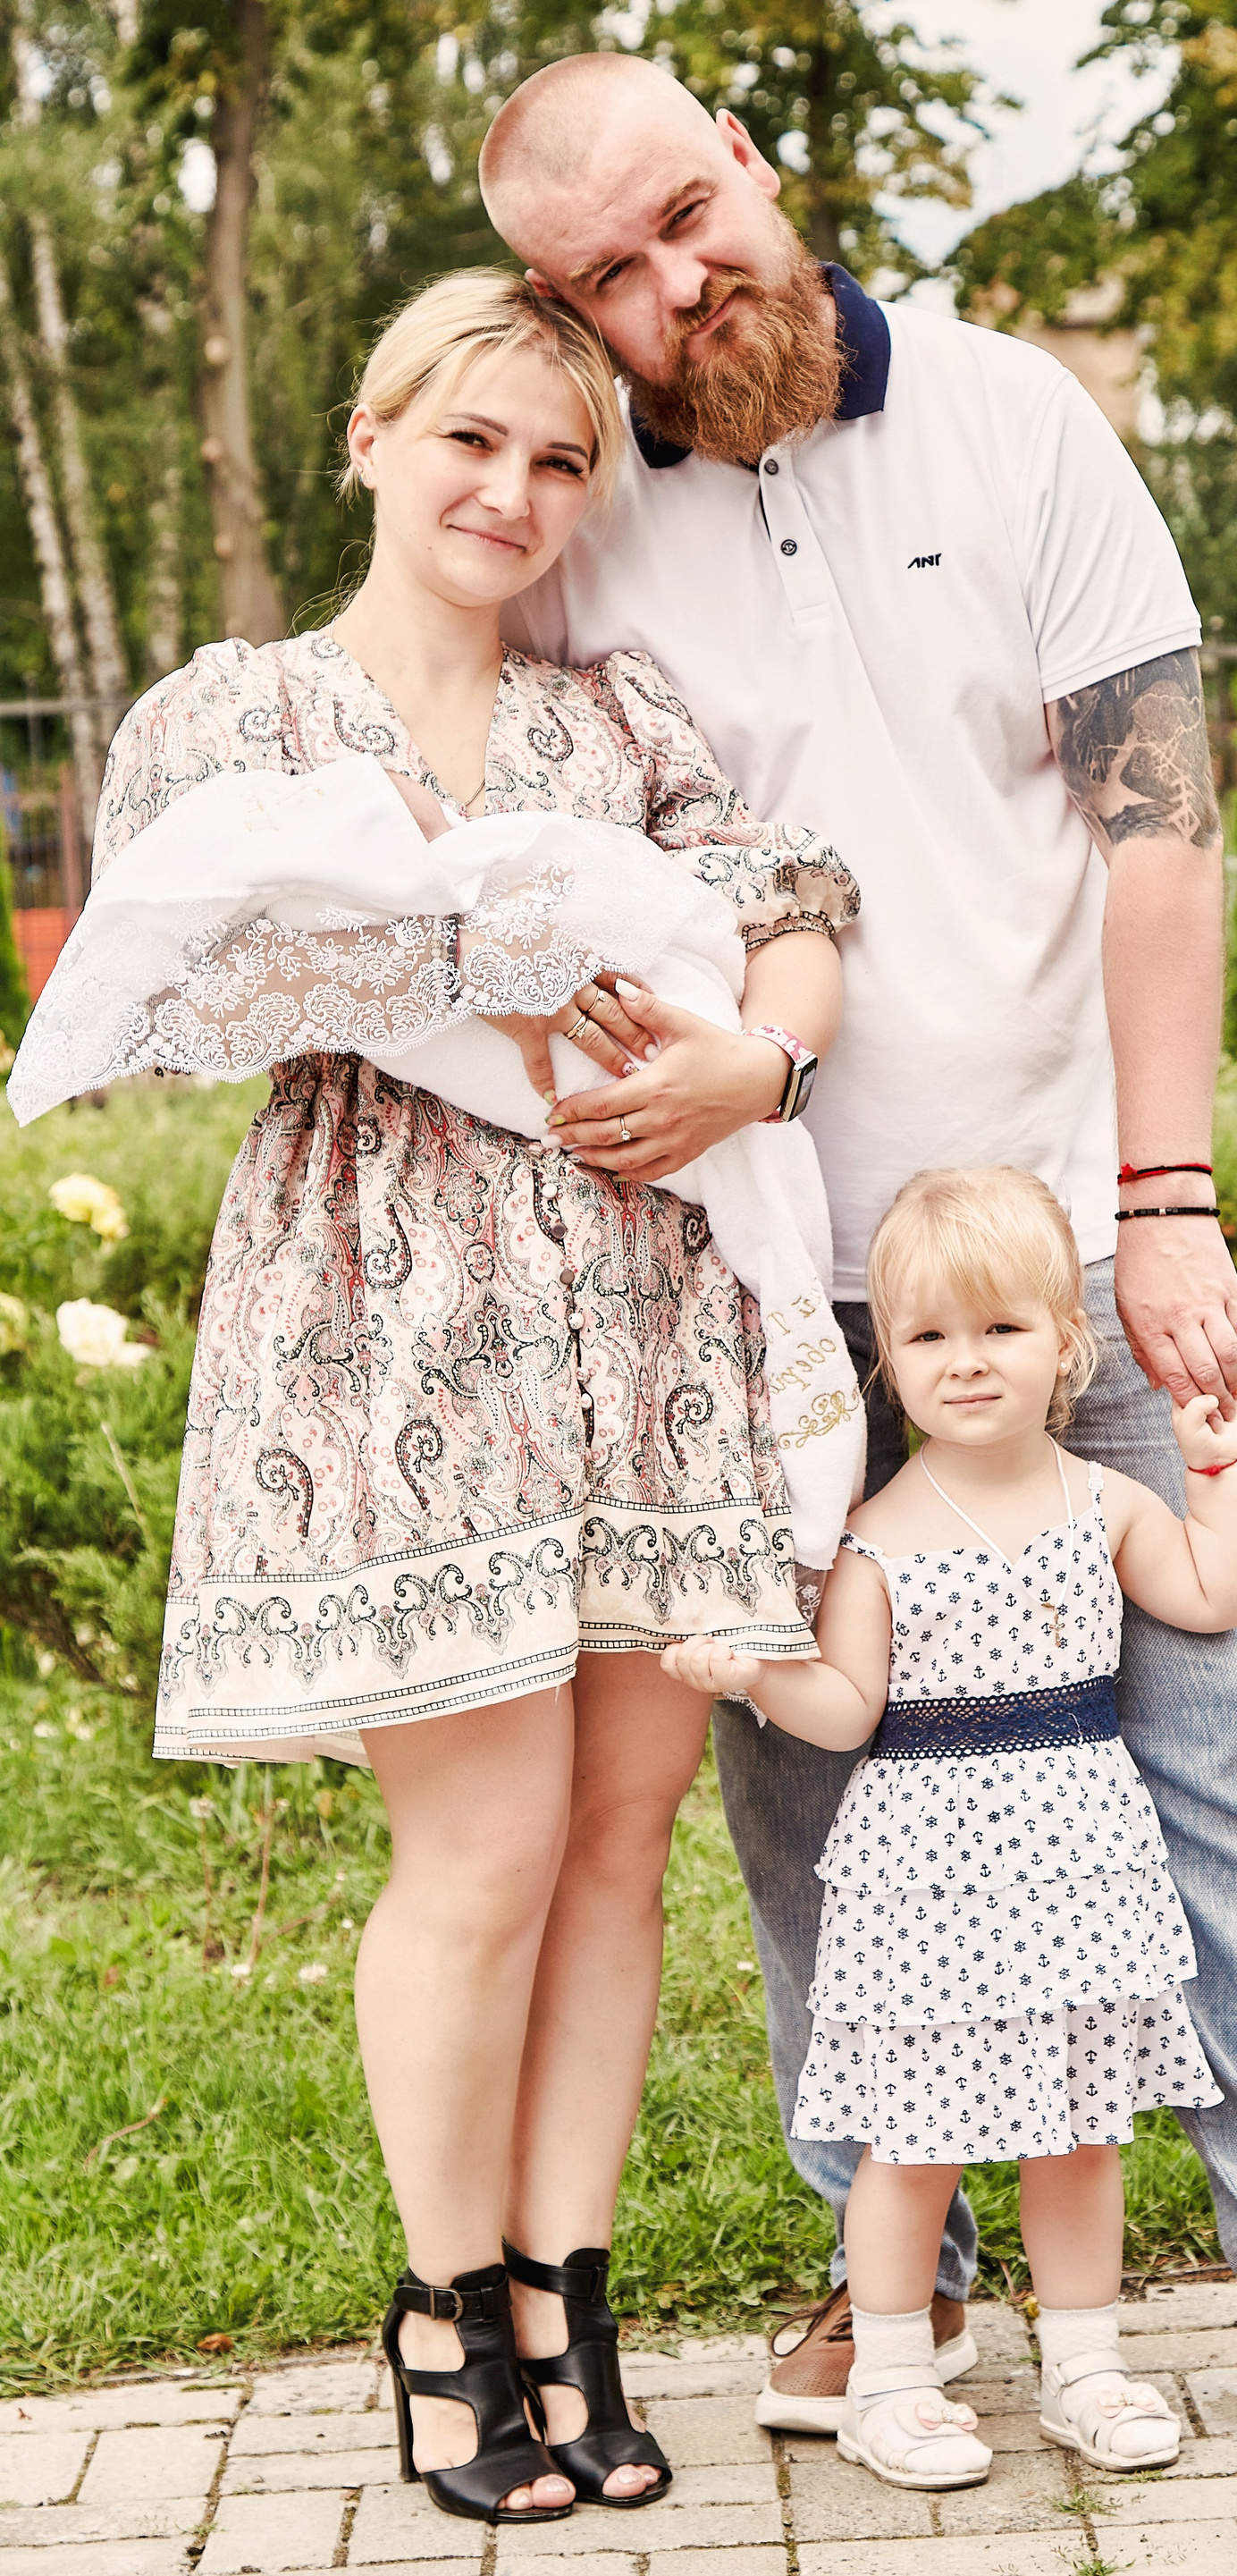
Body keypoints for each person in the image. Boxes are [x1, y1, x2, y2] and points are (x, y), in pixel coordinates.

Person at [478, 52, 1237, 2443]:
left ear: (747, 157)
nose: (678, 287)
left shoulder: (1014, 417)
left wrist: (1165, 1199)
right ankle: (907, 2285)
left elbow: (1154, 824)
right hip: (761, 1273)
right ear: (568, 308)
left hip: (1049, 1241)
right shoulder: (576, 522)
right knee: (816, 1799)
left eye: (685, 216)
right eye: (608, 278)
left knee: (1203, 1752)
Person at [44, 271, 857, 2521]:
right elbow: (173, 983)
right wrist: (471, 977)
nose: (512, 489)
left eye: (561, 458)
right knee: (483, 1846)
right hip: (393, 1314)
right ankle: (440, 2307)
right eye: (471, 439)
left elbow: (798, 901)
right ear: (372, 439)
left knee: (617, 1837)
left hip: (645, 1310)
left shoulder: (619, 719)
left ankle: (565, 2299)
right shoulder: (240, 717)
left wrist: (760, 1057)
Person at [666, 1167, 1237, 2488]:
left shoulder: (1104, 1502)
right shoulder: (875, 1538)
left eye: (1001, 1327)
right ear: (889, 1358)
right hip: (927, 1880)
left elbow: (1213, 1595)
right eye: (930, 1334)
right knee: (914, 2137)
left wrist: (1213, 1468)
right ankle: (891, 2378)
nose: (968, 1360)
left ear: (1068, 1339)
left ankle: (1085, 2367)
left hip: (1079, 1864)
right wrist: (754, 1672)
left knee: (1080, 2130)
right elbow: (844, 1710)